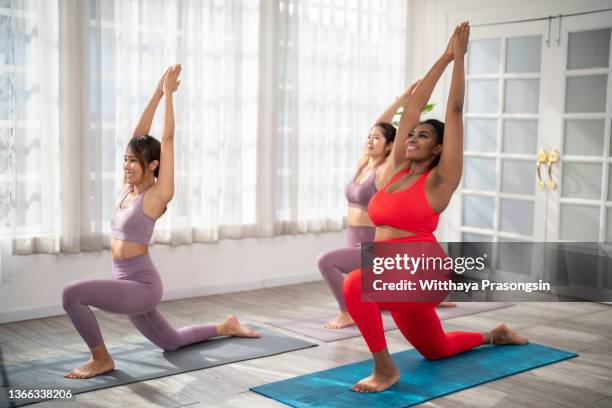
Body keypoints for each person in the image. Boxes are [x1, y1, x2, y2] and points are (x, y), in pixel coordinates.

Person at [342, 22, 528, 393]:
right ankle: (495, 334)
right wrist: (442, 57)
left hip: (422, 270)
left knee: (354, 284)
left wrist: (458, 60)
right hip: (392, 273)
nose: (411, 139)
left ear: (439, 149)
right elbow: (412, 108)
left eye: (422, 136)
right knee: (435, 349)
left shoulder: (441, 180)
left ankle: (384, 370)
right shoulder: (395, 171)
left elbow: (455, 111)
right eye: (411, 135)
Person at [61, 65, 259, 379]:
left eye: (133, 161)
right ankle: (226, 325)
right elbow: (138, 136)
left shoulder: (155, 195)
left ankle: (101, 359)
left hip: (142, 287)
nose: (126, 165)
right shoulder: (130, 188)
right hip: (128, 283)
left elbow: (166, 138)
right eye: (125, 159)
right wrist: (155, 91)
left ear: (152, 165)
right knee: (172, 341)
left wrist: (168, 96)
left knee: (72, 293)